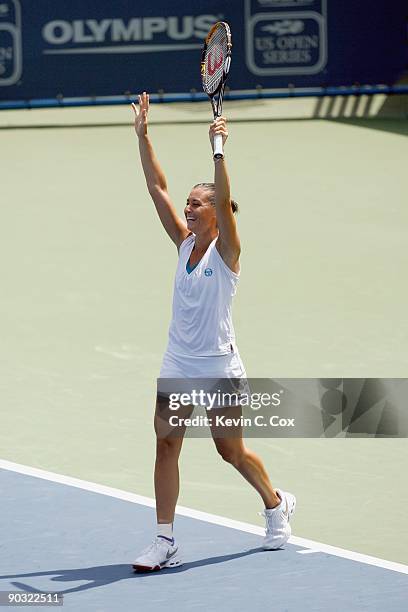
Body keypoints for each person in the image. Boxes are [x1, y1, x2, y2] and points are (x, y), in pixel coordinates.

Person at [131, 92, 296, 572]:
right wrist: (144, 138)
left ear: (215, 212)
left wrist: (218, 149)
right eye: (188, 203)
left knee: (229, 451)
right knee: (166, 443)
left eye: (196, 204)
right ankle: (164, 540)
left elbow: (225, 201)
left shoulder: (227, 253)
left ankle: (275, 502)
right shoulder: (183, 245)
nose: (188, 208)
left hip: (220, 366)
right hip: (178, 362)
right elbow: (155, 187)